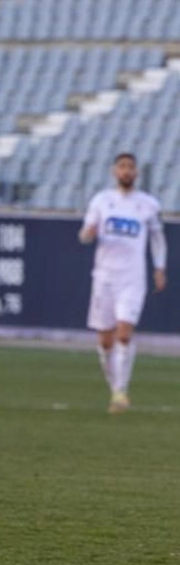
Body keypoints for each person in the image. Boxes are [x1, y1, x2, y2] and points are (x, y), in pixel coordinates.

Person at [79, 152, 166, 414]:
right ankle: (114, 386)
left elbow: (157, 239)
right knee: (105, 341)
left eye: (130, 167)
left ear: (137, 172)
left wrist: (159, 267)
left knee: (124, 333)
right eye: (122, 166)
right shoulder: (102, 201)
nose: (126, 171)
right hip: (104, 277)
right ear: (114, 171)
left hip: (132, 277)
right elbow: (84, 235)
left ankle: (120, 392)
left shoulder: (148, 204)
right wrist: (89, 233)